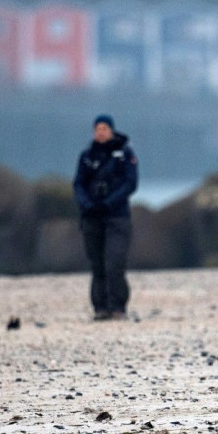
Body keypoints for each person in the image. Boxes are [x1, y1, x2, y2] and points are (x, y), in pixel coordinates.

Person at [73, 114, 138, 321]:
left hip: (117, 215)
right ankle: (100, 307)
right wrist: (87, 204)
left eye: (104, 128)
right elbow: (78, 184)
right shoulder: (87, 156)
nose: (100, 132)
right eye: (97, 129)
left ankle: (118, 306)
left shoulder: (125, 154)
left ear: (111, 130)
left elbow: (130, 183)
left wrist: (109, 202)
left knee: (114, 261)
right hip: (92, 216)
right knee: (97, 263)